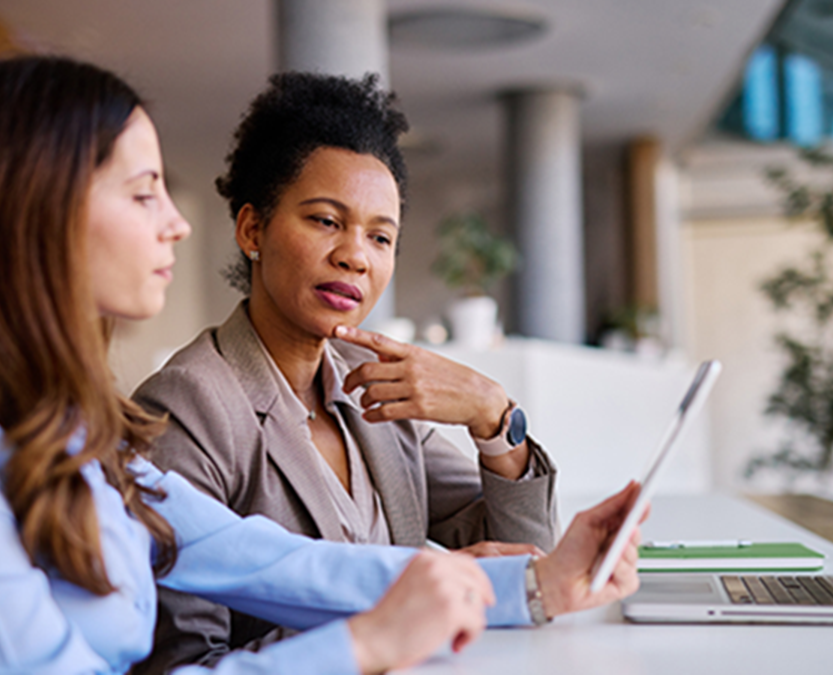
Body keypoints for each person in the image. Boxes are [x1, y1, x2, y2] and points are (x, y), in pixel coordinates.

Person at [0, 55, 643, 675]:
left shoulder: (71, 429)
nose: (177, 223)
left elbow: (272, 560)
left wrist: (539, 586)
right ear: (28, 211)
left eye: (381, 234)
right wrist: (364, 644)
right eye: (143, 193)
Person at [130, 72, 560, 672]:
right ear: (252, 229)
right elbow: (184, 660)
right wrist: (389, 619)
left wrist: (492, 414)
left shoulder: (371, 379)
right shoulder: (187, 405)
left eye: (380, 237)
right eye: (326, 221)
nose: (355, 255)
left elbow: (524, 550)